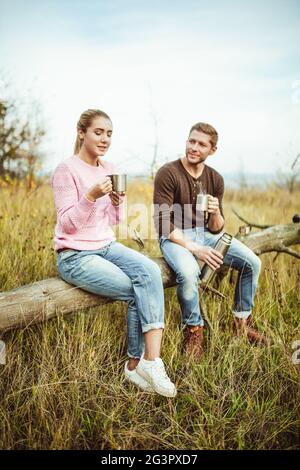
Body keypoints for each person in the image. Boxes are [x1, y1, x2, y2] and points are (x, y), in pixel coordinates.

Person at [51, 108, 176, 397]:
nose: (105, 138)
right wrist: (91, 195)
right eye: (98, 132)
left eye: (109, 133)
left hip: (106, 245)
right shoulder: (65, 170)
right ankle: (134, 363)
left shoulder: (109, 167)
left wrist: (117, 202)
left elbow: (114, 221)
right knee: (135, 289)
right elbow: (68, 224)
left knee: (150, 272)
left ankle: (151, 361)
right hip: (74, 255)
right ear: (81, 133)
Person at [153, 122, 269, 361]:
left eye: (201, 144)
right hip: (175, 236)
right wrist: (196, 249)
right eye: (191, 141)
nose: (194, 147)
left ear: (212, 150)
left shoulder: (215, 179)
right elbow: (163, 223)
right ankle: (194, 330)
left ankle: (242, 323)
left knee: (252, 263)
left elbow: (217, 228)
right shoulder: (168, 173)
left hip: (205, 233)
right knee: (188, 272)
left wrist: (215, 212)